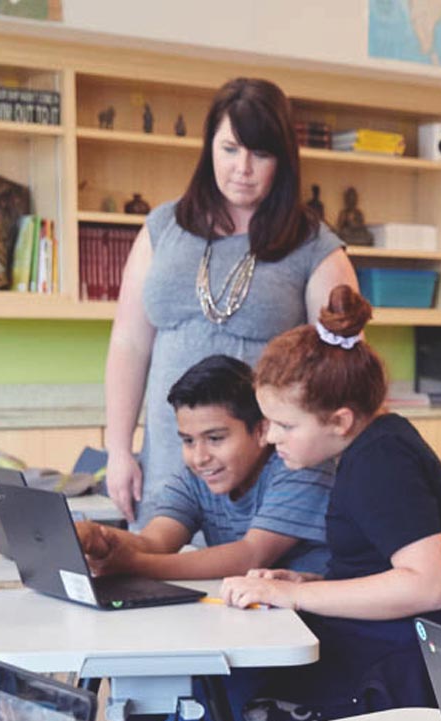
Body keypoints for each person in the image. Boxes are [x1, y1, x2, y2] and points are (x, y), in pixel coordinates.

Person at [103, 77, 357, 524]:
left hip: (267, 475)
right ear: (209, 148)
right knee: (160, 575)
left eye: (261, 153)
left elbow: (343, 370)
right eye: (230, 149)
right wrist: (119, 450)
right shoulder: (163, 227)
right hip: (169, 459)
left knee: (248, 588)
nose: (243, 167)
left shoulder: (317, 246)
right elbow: (129, 344)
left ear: (283, 161)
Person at [223, 285, 441, 719]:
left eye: (285, 424)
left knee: (230, 679)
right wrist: (307, 584)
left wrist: (292, 596)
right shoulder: (374, 445)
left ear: (339, 420)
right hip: (383, 641)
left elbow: (428, 586)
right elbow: (381, 566)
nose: (271, 437)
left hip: (393, 661)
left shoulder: (380, 464)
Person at [77, 354, 332, 580]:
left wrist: (135, 564)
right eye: (188, 440)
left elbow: (251, 555)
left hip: (314, 622)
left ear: (261, 430)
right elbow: (153, 543)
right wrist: (94, 536)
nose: (199, 457)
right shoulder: (196, 478)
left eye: (215, 438)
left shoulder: (298, 466)